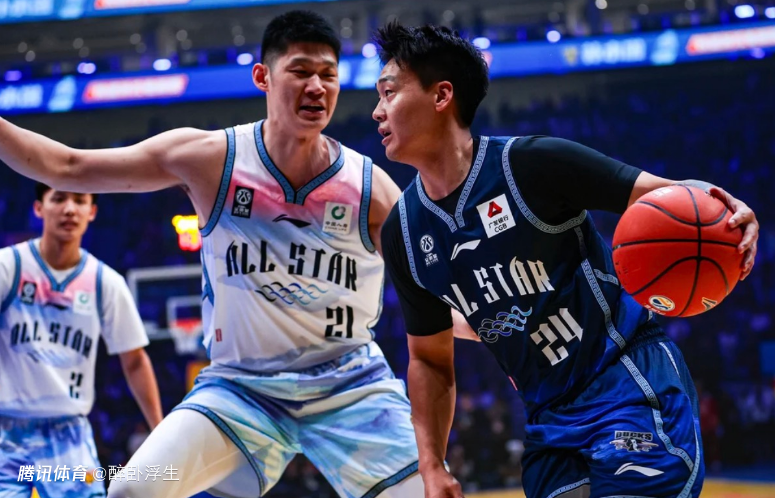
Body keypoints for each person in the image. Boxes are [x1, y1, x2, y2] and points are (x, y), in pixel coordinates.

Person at [0, 10, 461, 498]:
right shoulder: (212, 160)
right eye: (301, 71)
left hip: (350, 386)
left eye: (328, 75)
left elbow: (438, 300)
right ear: (263, 77)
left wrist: (501, 335)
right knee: (129, 491)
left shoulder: (371, 189)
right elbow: (66, 166)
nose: (317, 86)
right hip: (241, 390)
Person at [372, 22, 759, 498]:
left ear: (441, 95)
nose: (376, 111)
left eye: (389, 93)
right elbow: (429, 360)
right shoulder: (405, 233)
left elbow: (670, 195)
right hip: (549, 422)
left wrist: (731, 209)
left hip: (626, 382)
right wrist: (431, 465)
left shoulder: (530, 165)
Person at [0, 183, 163, 498]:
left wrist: (160, 432)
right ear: (39, 208)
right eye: (59, 199)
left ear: (92, 212)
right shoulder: (9, 267)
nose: (69, 209)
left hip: (69, 434)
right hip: (5, 430)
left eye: (79, 201)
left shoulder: (105, 282)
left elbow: (135, 361)